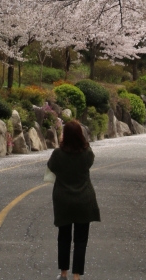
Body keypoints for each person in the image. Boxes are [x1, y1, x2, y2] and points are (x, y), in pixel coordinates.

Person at [47, 119, 100, 280]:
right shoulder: (87, 153)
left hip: (63, 200)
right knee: (81, 239)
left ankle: (63, 273)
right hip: (84, 198)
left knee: (63, 237)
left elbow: (51, 167)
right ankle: (76, 275)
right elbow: (90, 160)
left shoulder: (58, 154)